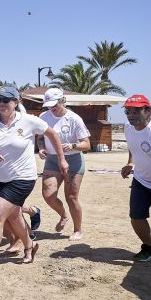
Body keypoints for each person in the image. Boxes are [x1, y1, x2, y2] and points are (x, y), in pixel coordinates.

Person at [0, 85, 68, 279]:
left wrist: (61, 159)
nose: (1, 104)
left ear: (16, 102)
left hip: (22, 178)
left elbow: (52, 134)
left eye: (6, 100)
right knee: (15, 216)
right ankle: (30, 245)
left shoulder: (28, 121)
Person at [38, 88, 91, 241]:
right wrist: (41, 148)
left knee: (71, 197)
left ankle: (77, 229)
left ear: (63, 101)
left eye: (54, 104)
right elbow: (40, 137)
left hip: (73, 160)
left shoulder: (74, 119)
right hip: (52, 160)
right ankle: (63, 215)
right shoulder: (44, 116)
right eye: (49, 105)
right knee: (48, 195)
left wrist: (73, 146)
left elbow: (86, 144)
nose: (52, 108)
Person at [121, 94, 151, 261]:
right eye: (128, 111)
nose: (131, 114)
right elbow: (133, 147)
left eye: (136, 110)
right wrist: (130, 163)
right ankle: (149, 247)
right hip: (141, 181)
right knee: (136, 216)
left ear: (148, 111)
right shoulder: (128, 127)